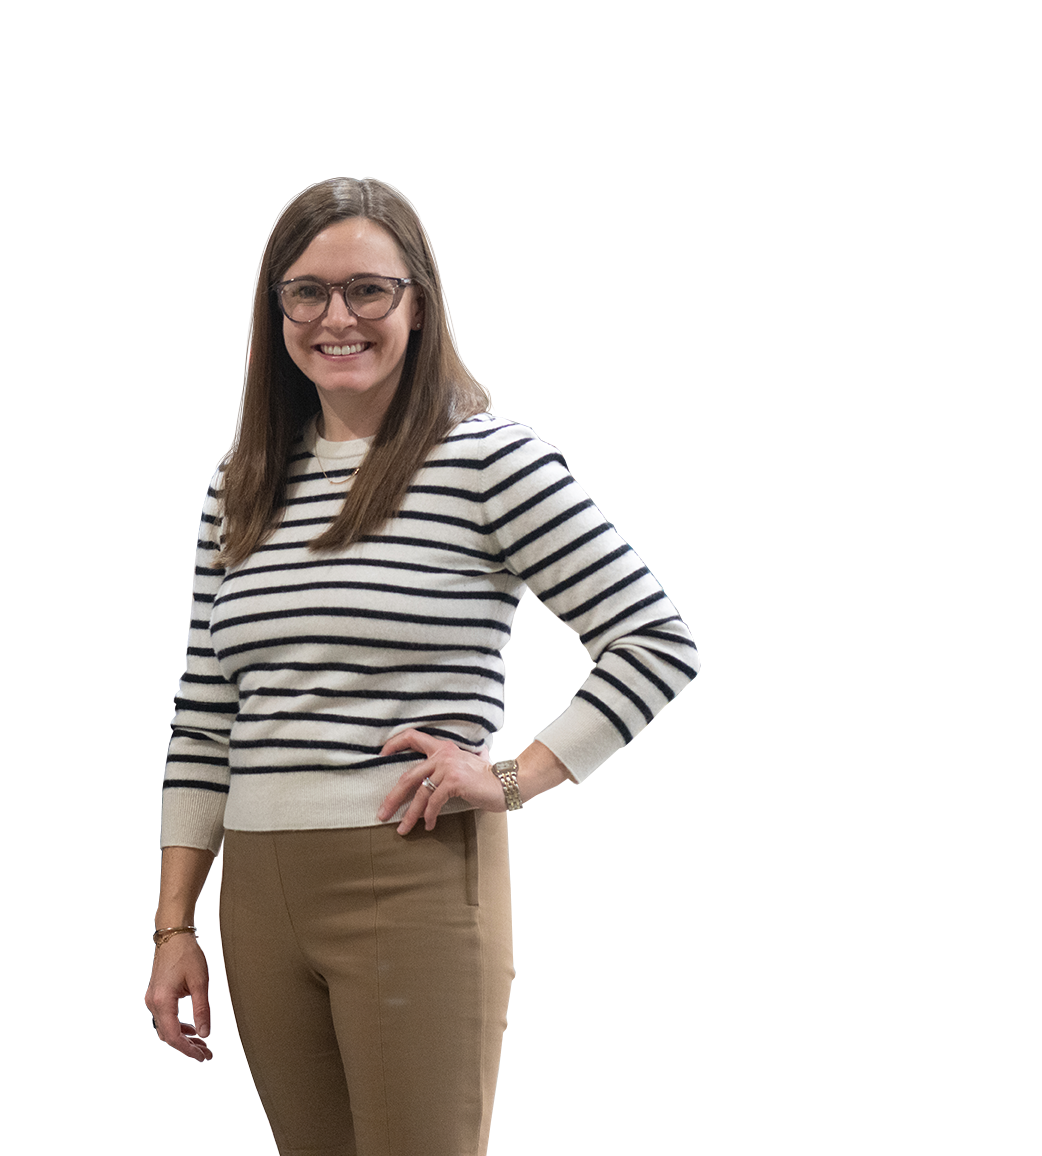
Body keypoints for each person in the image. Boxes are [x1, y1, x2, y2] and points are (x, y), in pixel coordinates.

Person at [144, 179, 699, 1156]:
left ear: (418, 304)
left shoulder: (490, 462)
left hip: (411, 873)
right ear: (276, 312)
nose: (337, 318)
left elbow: (654, 642)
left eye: (368, 289)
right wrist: (173, 925)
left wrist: (511, 773)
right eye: (307, 292)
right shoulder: (240, 486)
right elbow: (204, 717)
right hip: (259, 892)